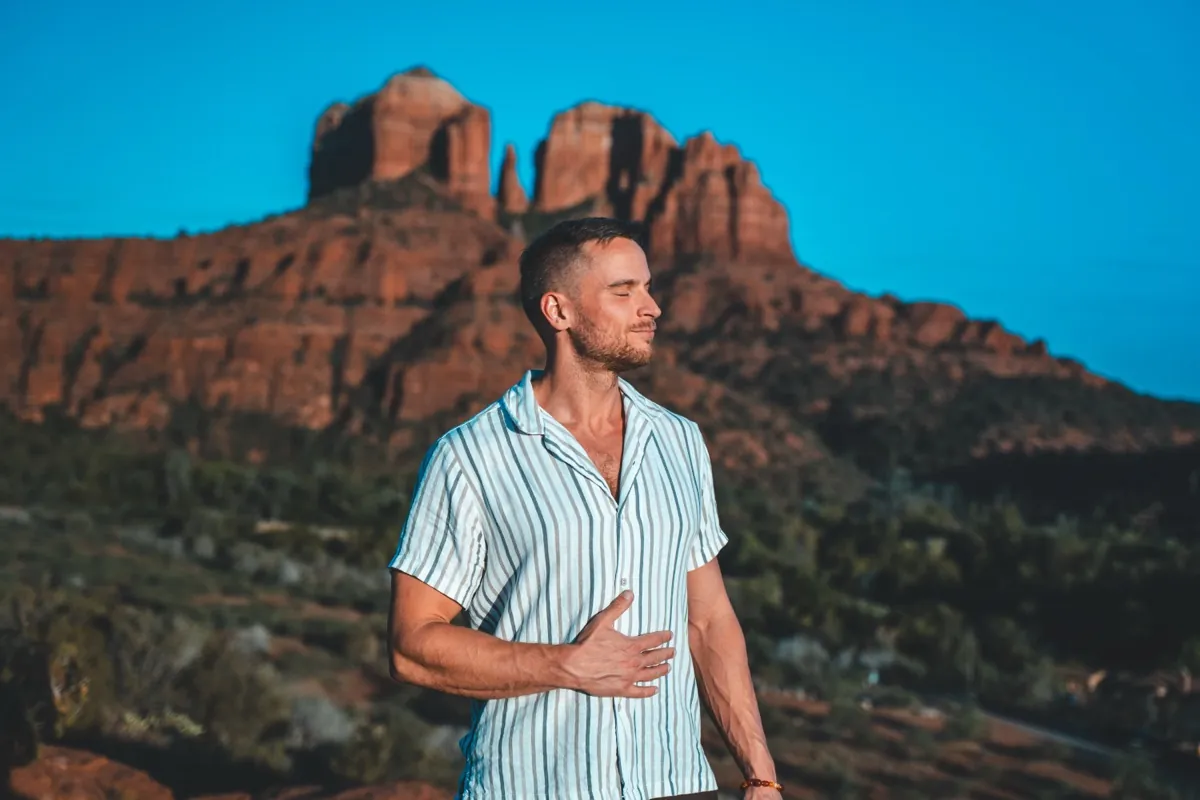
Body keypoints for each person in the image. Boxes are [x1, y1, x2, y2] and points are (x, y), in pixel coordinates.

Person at [386, 217, 782, 799]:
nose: (651, 308)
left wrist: (760, 773)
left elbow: (709, 620)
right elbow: (411, 645)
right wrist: (564, 664)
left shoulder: (679, 441)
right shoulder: (470, 456)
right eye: (624, 291)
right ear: (559, 311)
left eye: (648, 288)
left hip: (676, 785)